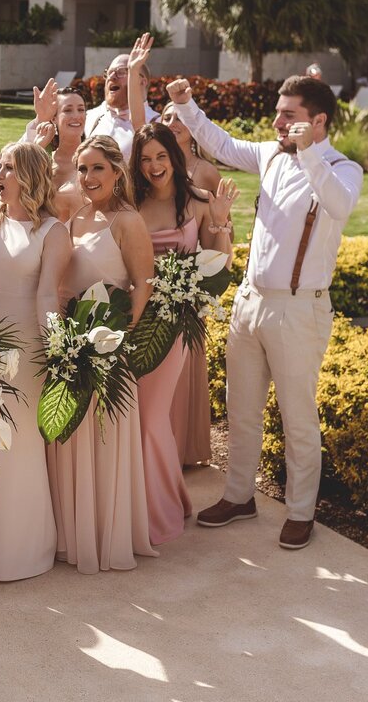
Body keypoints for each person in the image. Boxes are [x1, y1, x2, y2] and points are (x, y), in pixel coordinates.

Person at [167, 75, 362, 550]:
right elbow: (222, 142)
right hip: (249, 303)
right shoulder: (272, 155)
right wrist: (187, 105)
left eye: (288, 115)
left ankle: (300, 512)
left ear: (318, 121)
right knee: (241, 409)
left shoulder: (342, 167)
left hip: (300, 311)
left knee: (297, 417)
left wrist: (310, 150)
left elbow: (338, 204)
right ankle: (239, 496)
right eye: (278, 112)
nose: (276, 122)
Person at [48, 134, 157, 574]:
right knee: (71, 437)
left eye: (98, 168)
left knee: (103, 440)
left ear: (116, 172)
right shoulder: (76, 217)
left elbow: (142, 283)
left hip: (108, 352)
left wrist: (116, 339)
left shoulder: (127, 220)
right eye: (83, 169)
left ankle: (104, 536)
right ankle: (72, 534)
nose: (89, 177)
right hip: (71, 347)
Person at [129, 120, 237, 545]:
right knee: (134, 416)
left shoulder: (198, 201)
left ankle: (160, 512)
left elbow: (218, 266)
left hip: (173, 325)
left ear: (174, 158)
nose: (155, 165)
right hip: (133, 322)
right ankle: (164, 496)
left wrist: (222, 221)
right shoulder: (131, 204)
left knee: (153, 416)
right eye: (146, 159)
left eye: (161, 156)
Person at [0, 142, 71, 581]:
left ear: (28, 175)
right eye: (0, 165)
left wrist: (58, 352)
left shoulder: (52, 231)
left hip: (25, 352)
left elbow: (49, 293)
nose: (0, 172)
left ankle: (22, 550)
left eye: (9, 167)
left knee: (18, 445)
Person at [157, 100, 222, 467]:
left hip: (185, 298)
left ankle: (181, 451)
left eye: (180, 116)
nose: (172, 122)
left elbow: (217, 237)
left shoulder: (205, 175)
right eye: (166, 117)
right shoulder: (147, 181)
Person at [27, 80, 88, 222]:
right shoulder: (44, 158)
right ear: (53, 117)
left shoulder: (95, 159)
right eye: (68, 110)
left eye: (81, 109)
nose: (76, 115)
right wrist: (38, 147)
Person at [83, 47, 159, 159]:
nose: (112, 77)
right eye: (108, 73)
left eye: (121, 72)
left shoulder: (157, 123)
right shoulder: (89, 116)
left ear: (141, 81)